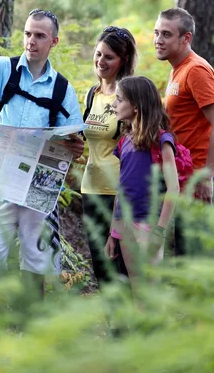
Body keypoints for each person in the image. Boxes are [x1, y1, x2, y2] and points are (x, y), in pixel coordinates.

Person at [0, 9, 84, 294]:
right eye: (27, 34)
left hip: (38, 189)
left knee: (36, 267)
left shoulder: (62, 89)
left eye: (39, 36)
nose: (31, 41)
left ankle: (29, 334)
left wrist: (75, 147)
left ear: (53, 42)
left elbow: (74, 142)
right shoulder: (3, 71)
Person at [105, 76, 179, 286]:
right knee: (138, 290)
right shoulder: (124, 140)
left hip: (148, 223)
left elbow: (173, 188)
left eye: (119, 99)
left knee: (151, 293)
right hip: (123, 224)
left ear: (136, 106)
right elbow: (122, 187)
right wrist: (112, 232)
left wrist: (160, 230)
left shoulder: (162, 141)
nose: (113, 104)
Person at [154, 7, 214, 254]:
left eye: (166, 34)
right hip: (182, 179)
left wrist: (206, 176)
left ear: (186, 38)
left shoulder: (196, 70)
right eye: (157, 32)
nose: (158, 40)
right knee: (183, 256)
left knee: (195, 259)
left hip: (198, 181)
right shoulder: (177, 69)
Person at [81, 26, 137, 286]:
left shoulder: (129, 97)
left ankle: (130, 324)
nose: (100, 62)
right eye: (98, 54)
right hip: (91, 189)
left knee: (121, 264)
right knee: (101, 266)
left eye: (109, 57)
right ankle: (115, 325)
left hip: (120, 192)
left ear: (123, 61)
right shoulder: (91, 95)